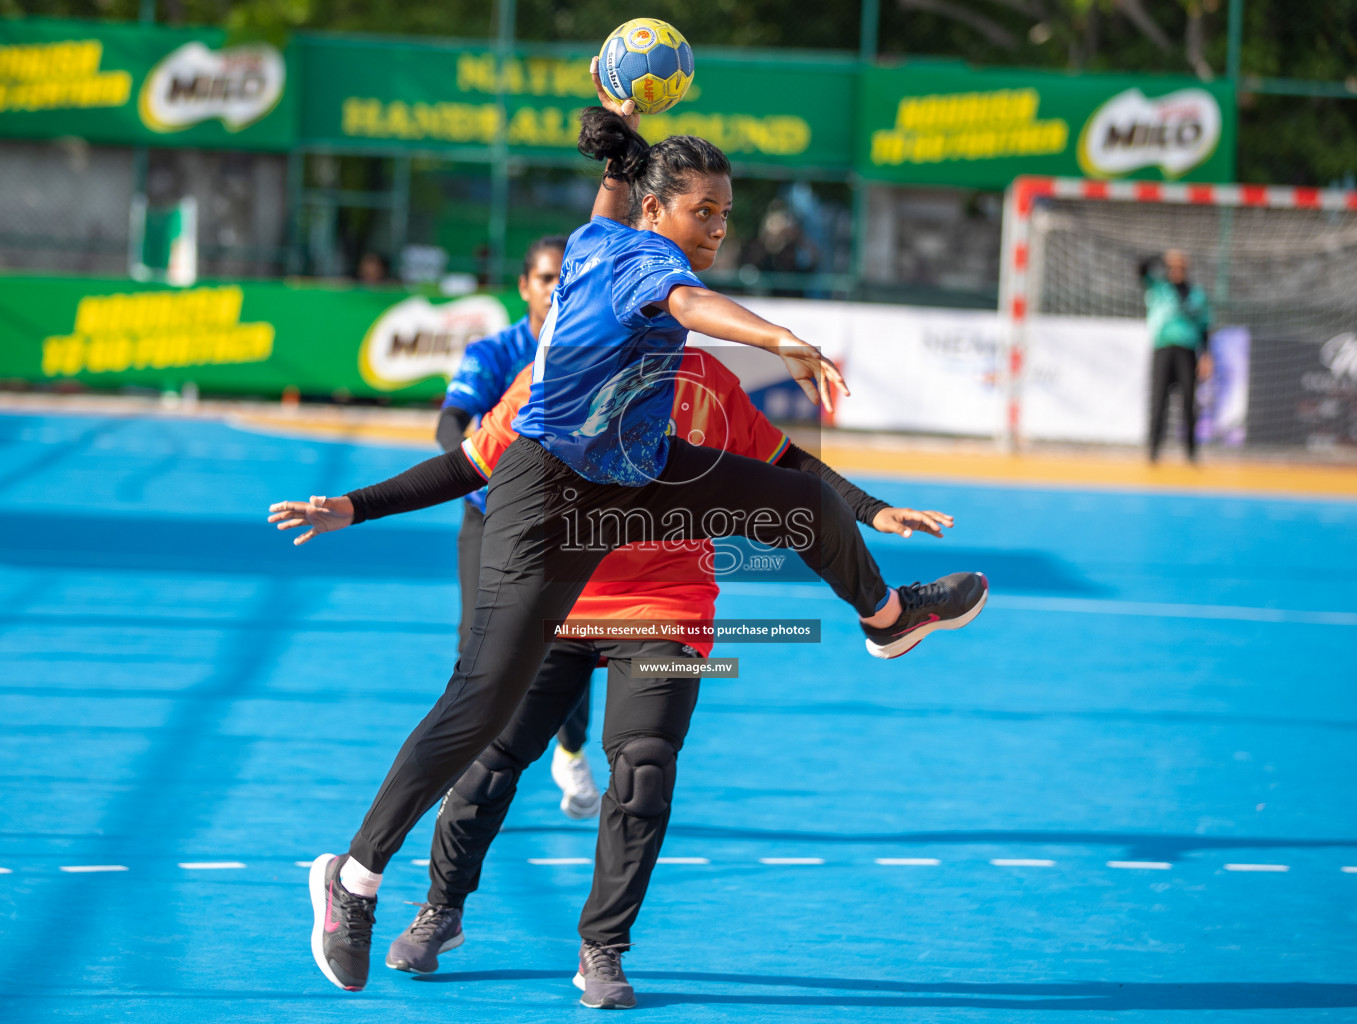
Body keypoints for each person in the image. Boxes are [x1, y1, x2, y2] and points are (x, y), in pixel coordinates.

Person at [272, 63, 988, 994]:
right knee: (478, 711)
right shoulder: (644, 262)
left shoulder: (598, 235)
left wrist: (619, 125)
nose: (717, 228)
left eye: (726, 213)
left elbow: (620, 209)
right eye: (705, 212)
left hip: (635, 482)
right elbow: (688, 305)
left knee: (800, 503)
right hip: (549, 494)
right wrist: (778, 337)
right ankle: (357, 879)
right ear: (660, 212)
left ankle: (886, 617)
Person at [277, 347, 952, 1007]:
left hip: (666, 608)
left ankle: (602, 946)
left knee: (644, 770)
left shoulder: (708, 381)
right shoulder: (558, 373)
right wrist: (355, 505)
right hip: (554, 600)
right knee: (489, 760)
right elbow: (468, 463)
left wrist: (867, 510)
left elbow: (787, 465)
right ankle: (440, 910)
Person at [436, 236, 602, 821]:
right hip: (490, 510)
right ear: (524, 286)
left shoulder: (596, 351)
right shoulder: (495, 351)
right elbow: (453, 420)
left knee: (573, 641)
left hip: (566, 519)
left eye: (568, 278)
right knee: (475, 644)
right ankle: (456, 772)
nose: (558, 288)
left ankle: (572, 749)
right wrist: (475, 466)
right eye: (547, 278)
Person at [1140, 249, 1212, 463]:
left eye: (1180, 267)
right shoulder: (1159, 288)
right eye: (1172, 267)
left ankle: (1191, 451)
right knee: (1159, 399)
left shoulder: (1196, 294)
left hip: (1187, 351)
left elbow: (1204, 326)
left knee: (1189, 401)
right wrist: (1162, 256)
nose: (1176, 271)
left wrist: (1206, 354)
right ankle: (1153, 450)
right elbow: (1140, 267)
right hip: (1163, 348)